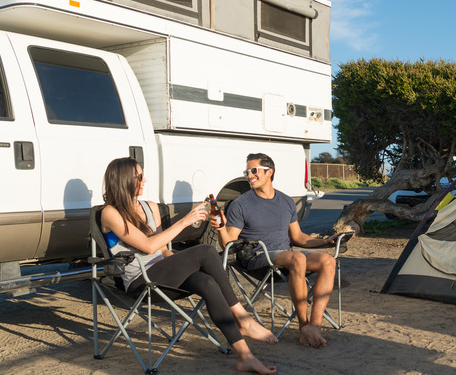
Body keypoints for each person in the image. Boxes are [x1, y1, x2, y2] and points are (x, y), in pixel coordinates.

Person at [100, 157, 277, 374]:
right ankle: (243, 318)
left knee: (207, 282)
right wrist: (184, 221)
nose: (144, 180)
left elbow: (163, 250)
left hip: (162, 272)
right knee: (206, 251)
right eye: (139, 176)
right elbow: (147, 246)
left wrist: (182, 261)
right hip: (140, 280)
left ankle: (245, 356)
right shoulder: (110, 212)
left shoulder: (150, 207)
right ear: (123, 179)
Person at [216, 153, 338, 348]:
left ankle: (314, 326)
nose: (249, 175)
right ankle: (303, 325)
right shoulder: (241, 204)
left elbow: (298, 237)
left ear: (269, 172)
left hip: (286, 255)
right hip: (257, 257)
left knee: (328, 261)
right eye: (247, 171)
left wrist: (325, 242)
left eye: (253, 170)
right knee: (297, 258)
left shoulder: (286, 201)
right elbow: (229, 242)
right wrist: (221, 229)